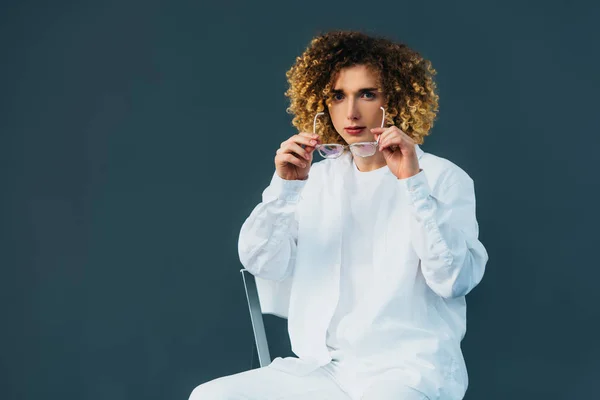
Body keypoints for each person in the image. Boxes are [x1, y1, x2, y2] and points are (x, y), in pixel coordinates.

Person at [189, 30, 488, 400]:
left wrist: (413, 183)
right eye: (337, 95)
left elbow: (453, 281)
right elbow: (263, 263)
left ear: (395, 100)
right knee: (209, 396)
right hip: (323, 370)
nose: (351, 112)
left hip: (407, 372)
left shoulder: (443, 178)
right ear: (320, 103)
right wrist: (285, 188)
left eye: (367, 93)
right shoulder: (316, 179)